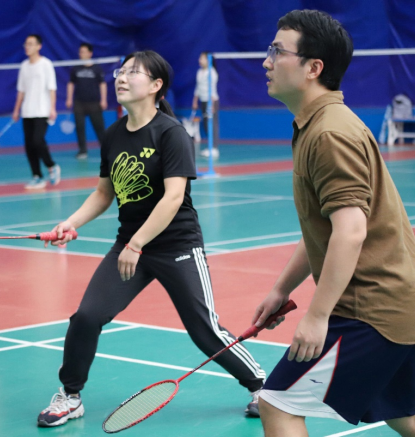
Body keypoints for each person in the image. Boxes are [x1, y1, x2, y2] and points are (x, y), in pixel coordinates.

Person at [252, 10, 415, 437]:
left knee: (277, 405)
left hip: (373, 312)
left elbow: (350, 231)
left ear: (313, 68)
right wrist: (281, 289)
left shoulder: (329, 134)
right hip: (406, 305)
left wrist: (317, 316)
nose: (266, 61)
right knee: (404, 413)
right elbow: (325, 231)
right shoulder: (318, 125)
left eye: (277, 51)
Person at [36, 50, 265, 427]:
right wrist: (71, 222)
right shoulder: (113, 134)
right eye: (120, 72)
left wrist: (136, 244)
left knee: (204, 328)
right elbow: (104, 193)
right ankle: (70, 396)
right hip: (130, 245)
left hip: (177, 246)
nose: (121, 78)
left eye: (133, 73)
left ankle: (262, 386)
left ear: (156, 85)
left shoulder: (172, 133)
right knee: (86, 317)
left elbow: (173, 198)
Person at [12, 34, 61, 189]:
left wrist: (53, 108)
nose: (28, 47)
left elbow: (52, 88)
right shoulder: (24, 66)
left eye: (31, 44)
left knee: (37, 141)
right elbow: (21, 90)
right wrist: (16, 110)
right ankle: (37, 176)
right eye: (26, 44)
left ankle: (51, 166)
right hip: (27, 111)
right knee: (29, 145)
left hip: (42, 111)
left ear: (39, 46)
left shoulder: (46, 64)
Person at [66, 42, 108, 160]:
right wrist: (69, 99)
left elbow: (102, 84)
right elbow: (71, 84)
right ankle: (82, 151)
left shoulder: (97, 68)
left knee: (100, 128)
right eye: (80, 52)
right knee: (80, 127)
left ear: (90, 53)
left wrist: (103, 100)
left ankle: (106, 150)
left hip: (94, 103)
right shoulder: (75, 68)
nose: (81, 54)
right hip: (79, 103)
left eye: (84, 52)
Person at [192, 52, 220, 159]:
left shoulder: (212, 73)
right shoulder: (199, 72)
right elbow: (198, 87)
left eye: (202, 58)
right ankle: (210, 147)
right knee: (206, 124)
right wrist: (195, 101)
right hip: (203, 101)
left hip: (211, 101)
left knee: (212, 124)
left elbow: (212, 89)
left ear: (208, 60)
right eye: (200, 58)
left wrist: (212, 105)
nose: (200, 60)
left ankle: (214, 149)